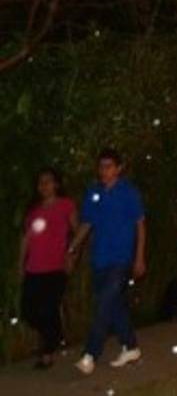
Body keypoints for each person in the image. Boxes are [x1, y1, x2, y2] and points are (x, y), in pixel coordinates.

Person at [68, 148, 146, 375]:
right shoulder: (94, 192)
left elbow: (140, 224)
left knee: (104, 304)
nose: (104, 171)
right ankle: (131, 347)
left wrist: (140, 256)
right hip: (99, 259)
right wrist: (72, 248)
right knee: (113, 306)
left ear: (119, 168)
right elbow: (86, 223)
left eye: (109, 166)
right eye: (101, 166)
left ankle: (89, 354)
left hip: (121, 259)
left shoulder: (129, 192)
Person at [17, 167, 77, 369]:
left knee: (48, 309)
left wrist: (72, 255)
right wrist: (20, 264)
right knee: (28, 311)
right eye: (41, 182)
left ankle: (47, 353)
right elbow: (26, 239)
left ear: (56, 184)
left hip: (55, 267)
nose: (44, 185)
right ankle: (54, 335)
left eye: (48, 181)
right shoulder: (33, 211)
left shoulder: (66, 205)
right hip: (34, 268)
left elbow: (77, 232)